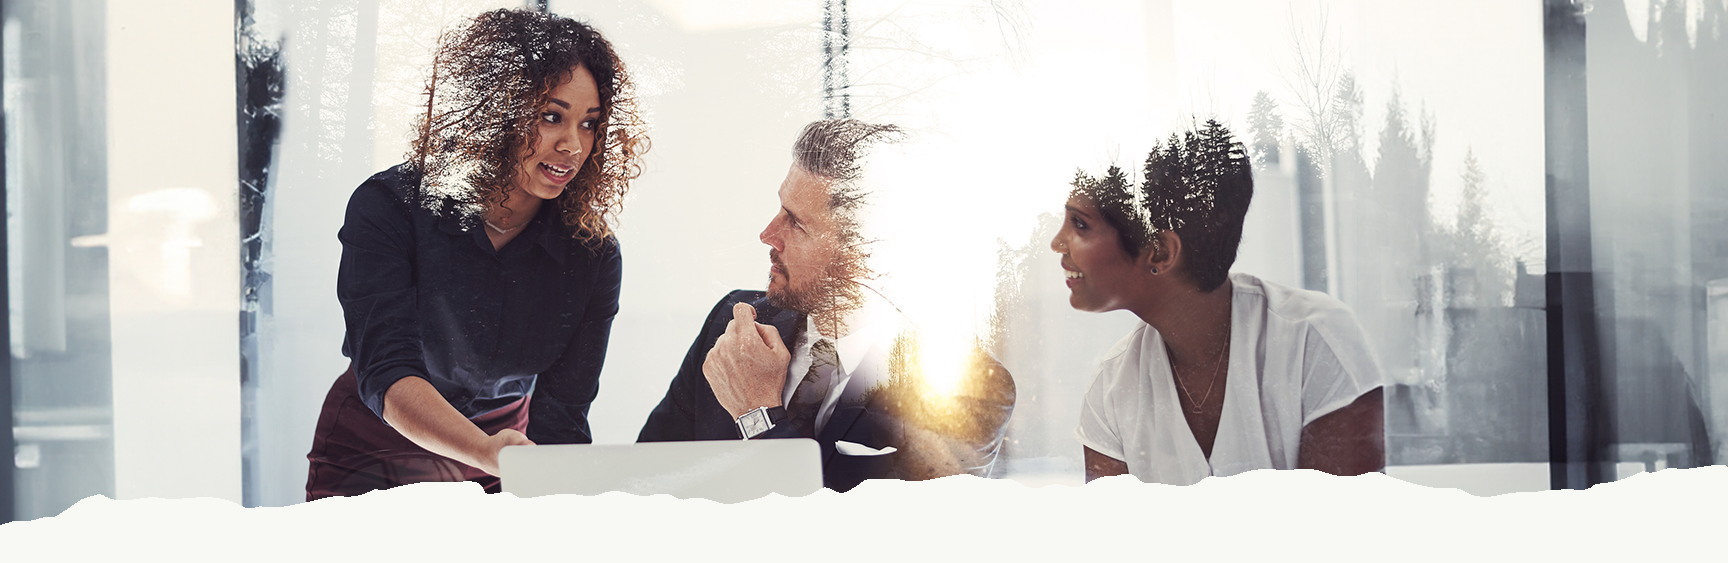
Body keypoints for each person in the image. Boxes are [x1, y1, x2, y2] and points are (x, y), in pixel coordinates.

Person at [305, 8, 647, 500]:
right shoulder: (390, 207)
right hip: (376, 447)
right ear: (493, 109)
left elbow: (563, 416)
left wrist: (556, 498)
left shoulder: (592, 253)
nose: (573, 145)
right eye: (552, 117)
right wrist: (490, 452)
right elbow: (387, 369)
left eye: (589, 124)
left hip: (511, 456)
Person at [637, 119, 1016, 491]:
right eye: (780, 208)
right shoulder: (736, 322)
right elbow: (645, 477)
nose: (768, 234)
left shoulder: (968, 389)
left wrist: (758, 415)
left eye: (796, 223)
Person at [1051, 120, 1384, 485]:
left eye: (1080, 224)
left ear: (1160, 251)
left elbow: (1348, 535)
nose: (1058, 243)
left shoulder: (1317, 342)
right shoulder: (1111, 388)